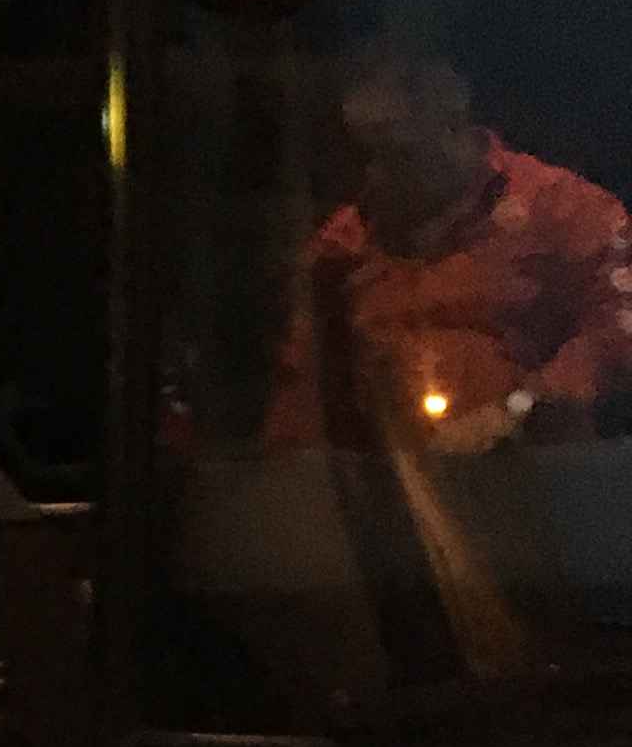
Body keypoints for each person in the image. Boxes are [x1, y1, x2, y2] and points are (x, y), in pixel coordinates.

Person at [263, 52, 632, 454]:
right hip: (395, 479)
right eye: (361, 157)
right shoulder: (342, 244)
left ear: (452, 127)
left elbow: (620, 325)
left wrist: (519, 408)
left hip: (542, 470)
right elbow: (303, 390)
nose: (375, 175)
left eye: (398, 153)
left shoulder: (562, 207)